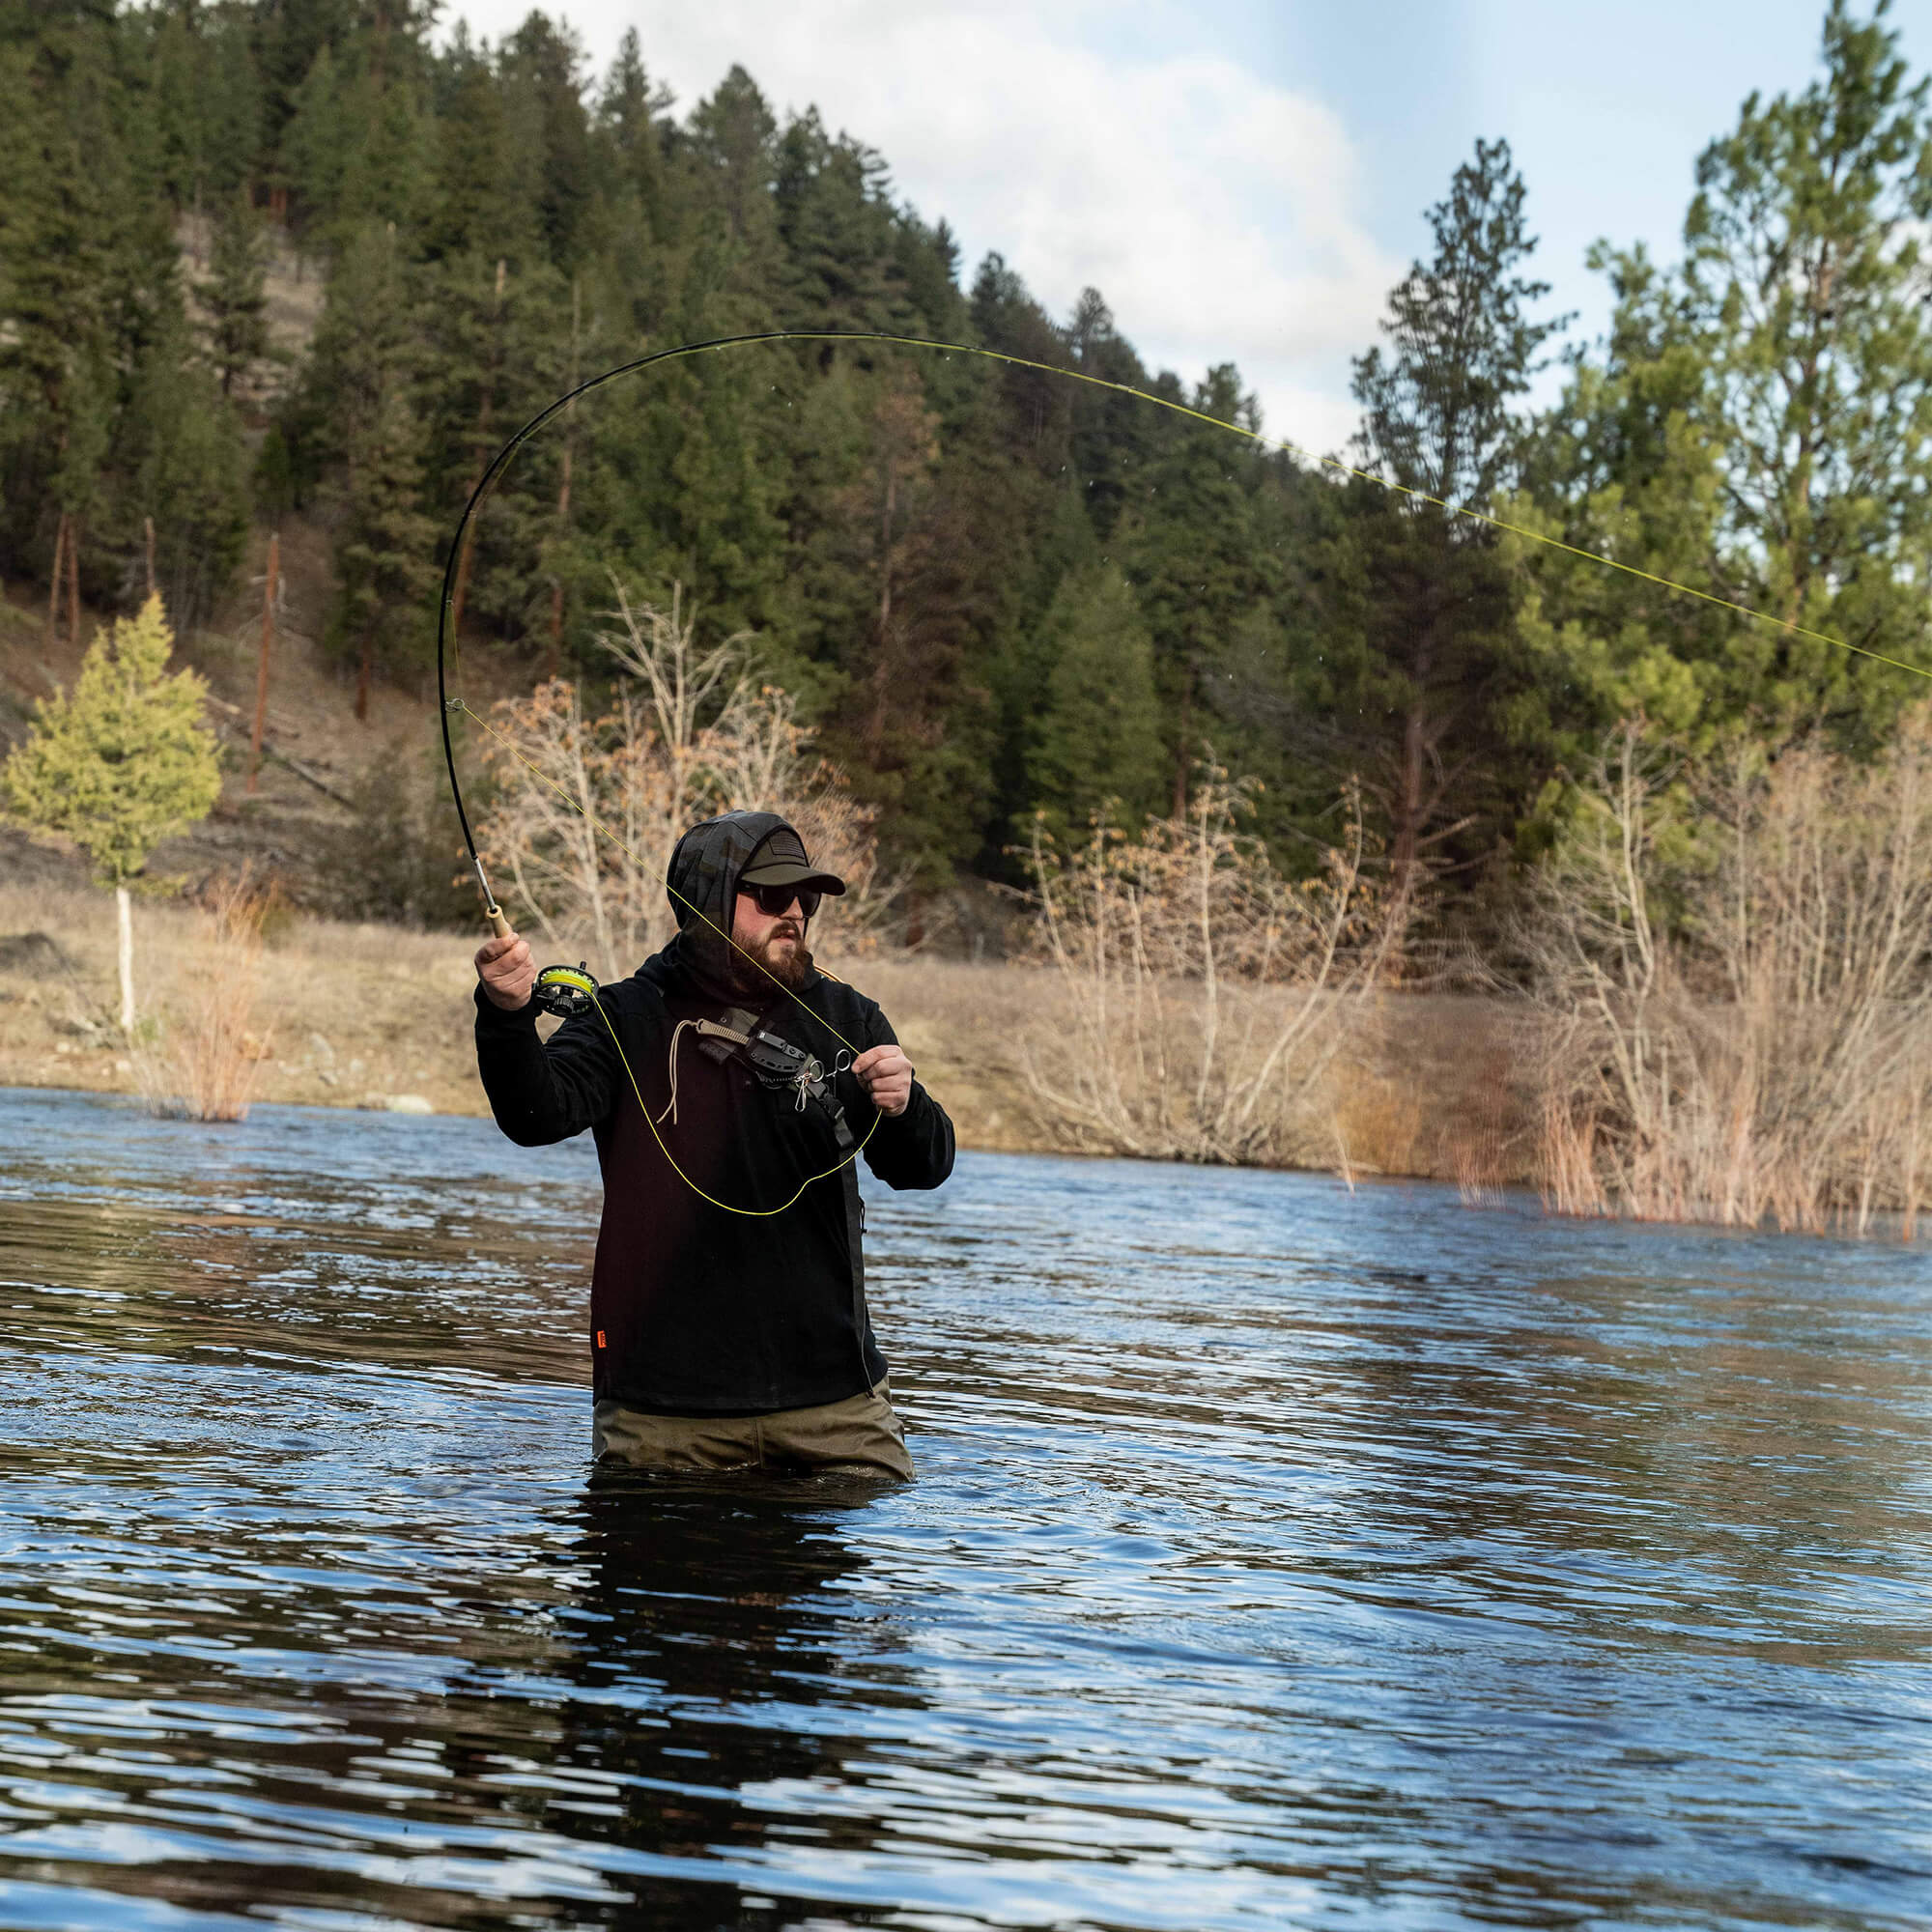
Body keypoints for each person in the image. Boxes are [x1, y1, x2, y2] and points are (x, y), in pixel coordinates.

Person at [472, 810, 953, 1478]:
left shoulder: (848, 1017)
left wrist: (907, 1104)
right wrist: (504, 1016)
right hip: (662, 1413)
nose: (795, 913)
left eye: (805, 898)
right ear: (709, 898)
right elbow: (535, 1115)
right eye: (771, 895)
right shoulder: (626, 1016)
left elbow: (923, 1168)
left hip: (837, 1409)